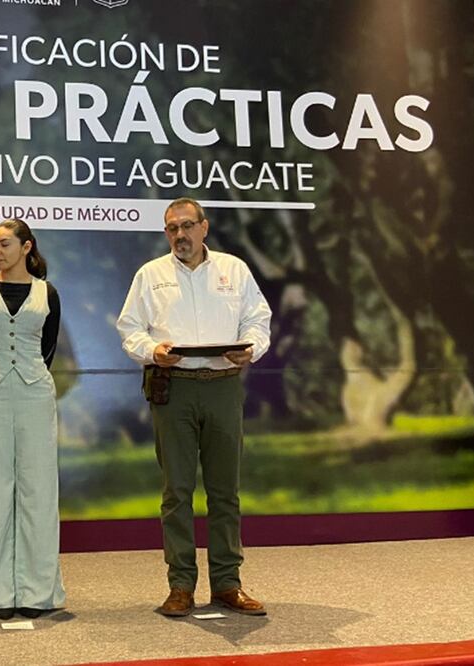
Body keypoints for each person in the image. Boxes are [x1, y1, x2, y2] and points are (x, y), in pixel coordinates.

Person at [116, 197, 272, 618]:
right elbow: (129, 329)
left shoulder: (233, 270)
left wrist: (252, 348)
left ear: (204, 226)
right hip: (175, 388)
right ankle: (180, 585)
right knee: (177, 492)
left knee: (226, 492)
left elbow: (258, 319)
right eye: (171, 229)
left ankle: (227, 584)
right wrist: (153, 349)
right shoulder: (151, 275)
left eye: (187, 226)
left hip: (223, 386)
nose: (180, 235)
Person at [0, 218, 66, 620]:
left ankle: (37, 593)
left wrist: (28, 373)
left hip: (36, 392)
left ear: (26, 247)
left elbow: (49, 345)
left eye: (4, 243)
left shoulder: (48, 293)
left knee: (38, 489)